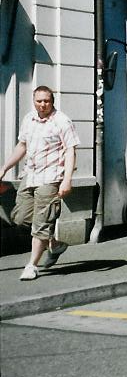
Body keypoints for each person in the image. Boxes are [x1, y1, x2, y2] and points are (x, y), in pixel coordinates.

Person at [1, 86, 80, 281]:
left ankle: (32, 265)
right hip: (31, 176)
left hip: (51, 178)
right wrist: (5, 167)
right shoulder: (29, 119)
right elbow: (22, 146)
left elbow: (70, 151)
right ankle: (54, 243)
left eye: (46, 101)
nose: (43, 104)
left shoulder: (62, 121)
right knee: (20, 218)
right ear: (34, 101)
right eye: (39, 101)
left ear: (52, 101)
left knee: (41, 224)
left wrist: (67, 180)